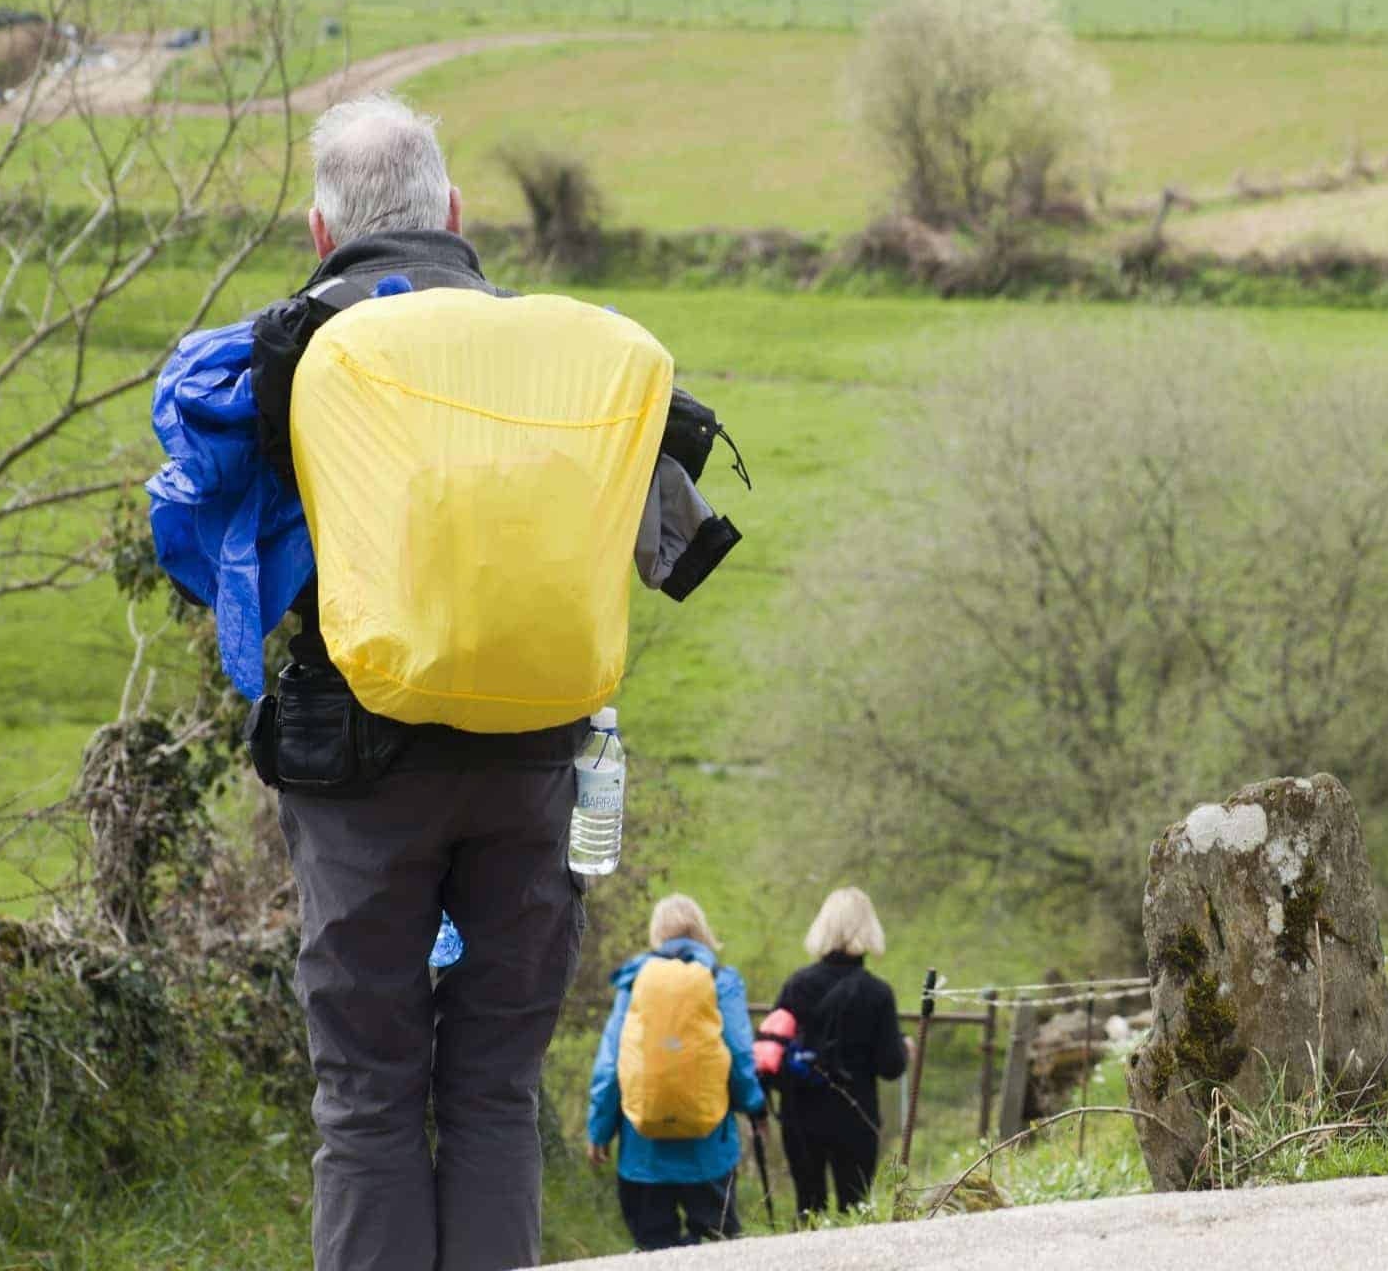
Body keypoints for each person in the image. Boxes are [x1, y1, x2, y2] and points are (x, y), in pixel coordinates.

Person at [263, 94, 610, 1271]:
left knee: (366, 1095)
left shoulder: (297, 343)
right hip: (532, 755)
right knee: (496, 1091)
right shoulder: (543, 355)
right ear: (456, 215)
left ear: (321, 233)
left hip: (361, 770)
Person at [586, 895, 767, 1250]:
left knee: (654, 1253)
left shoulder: (636, 981)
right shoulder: (720, 980)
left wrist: (599, 1130)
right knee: (720, 1251)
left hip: (643, 1153)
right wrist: (756, 1107)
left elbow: (611, 1063)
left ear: (657, 934)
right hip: (709, 1150)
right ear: (703, 931)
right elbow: (740, 1053)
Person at [771, 887, 909, 1218]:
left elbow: (772, 1050)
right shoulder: (878, 993)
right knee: (855, 1208)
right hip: (856, 1114)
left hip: (800, 1113)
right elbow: (890, 1067)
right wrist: (903, 1047)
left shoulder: (796, 985)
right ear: (869, 929)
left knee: (808, 1207)